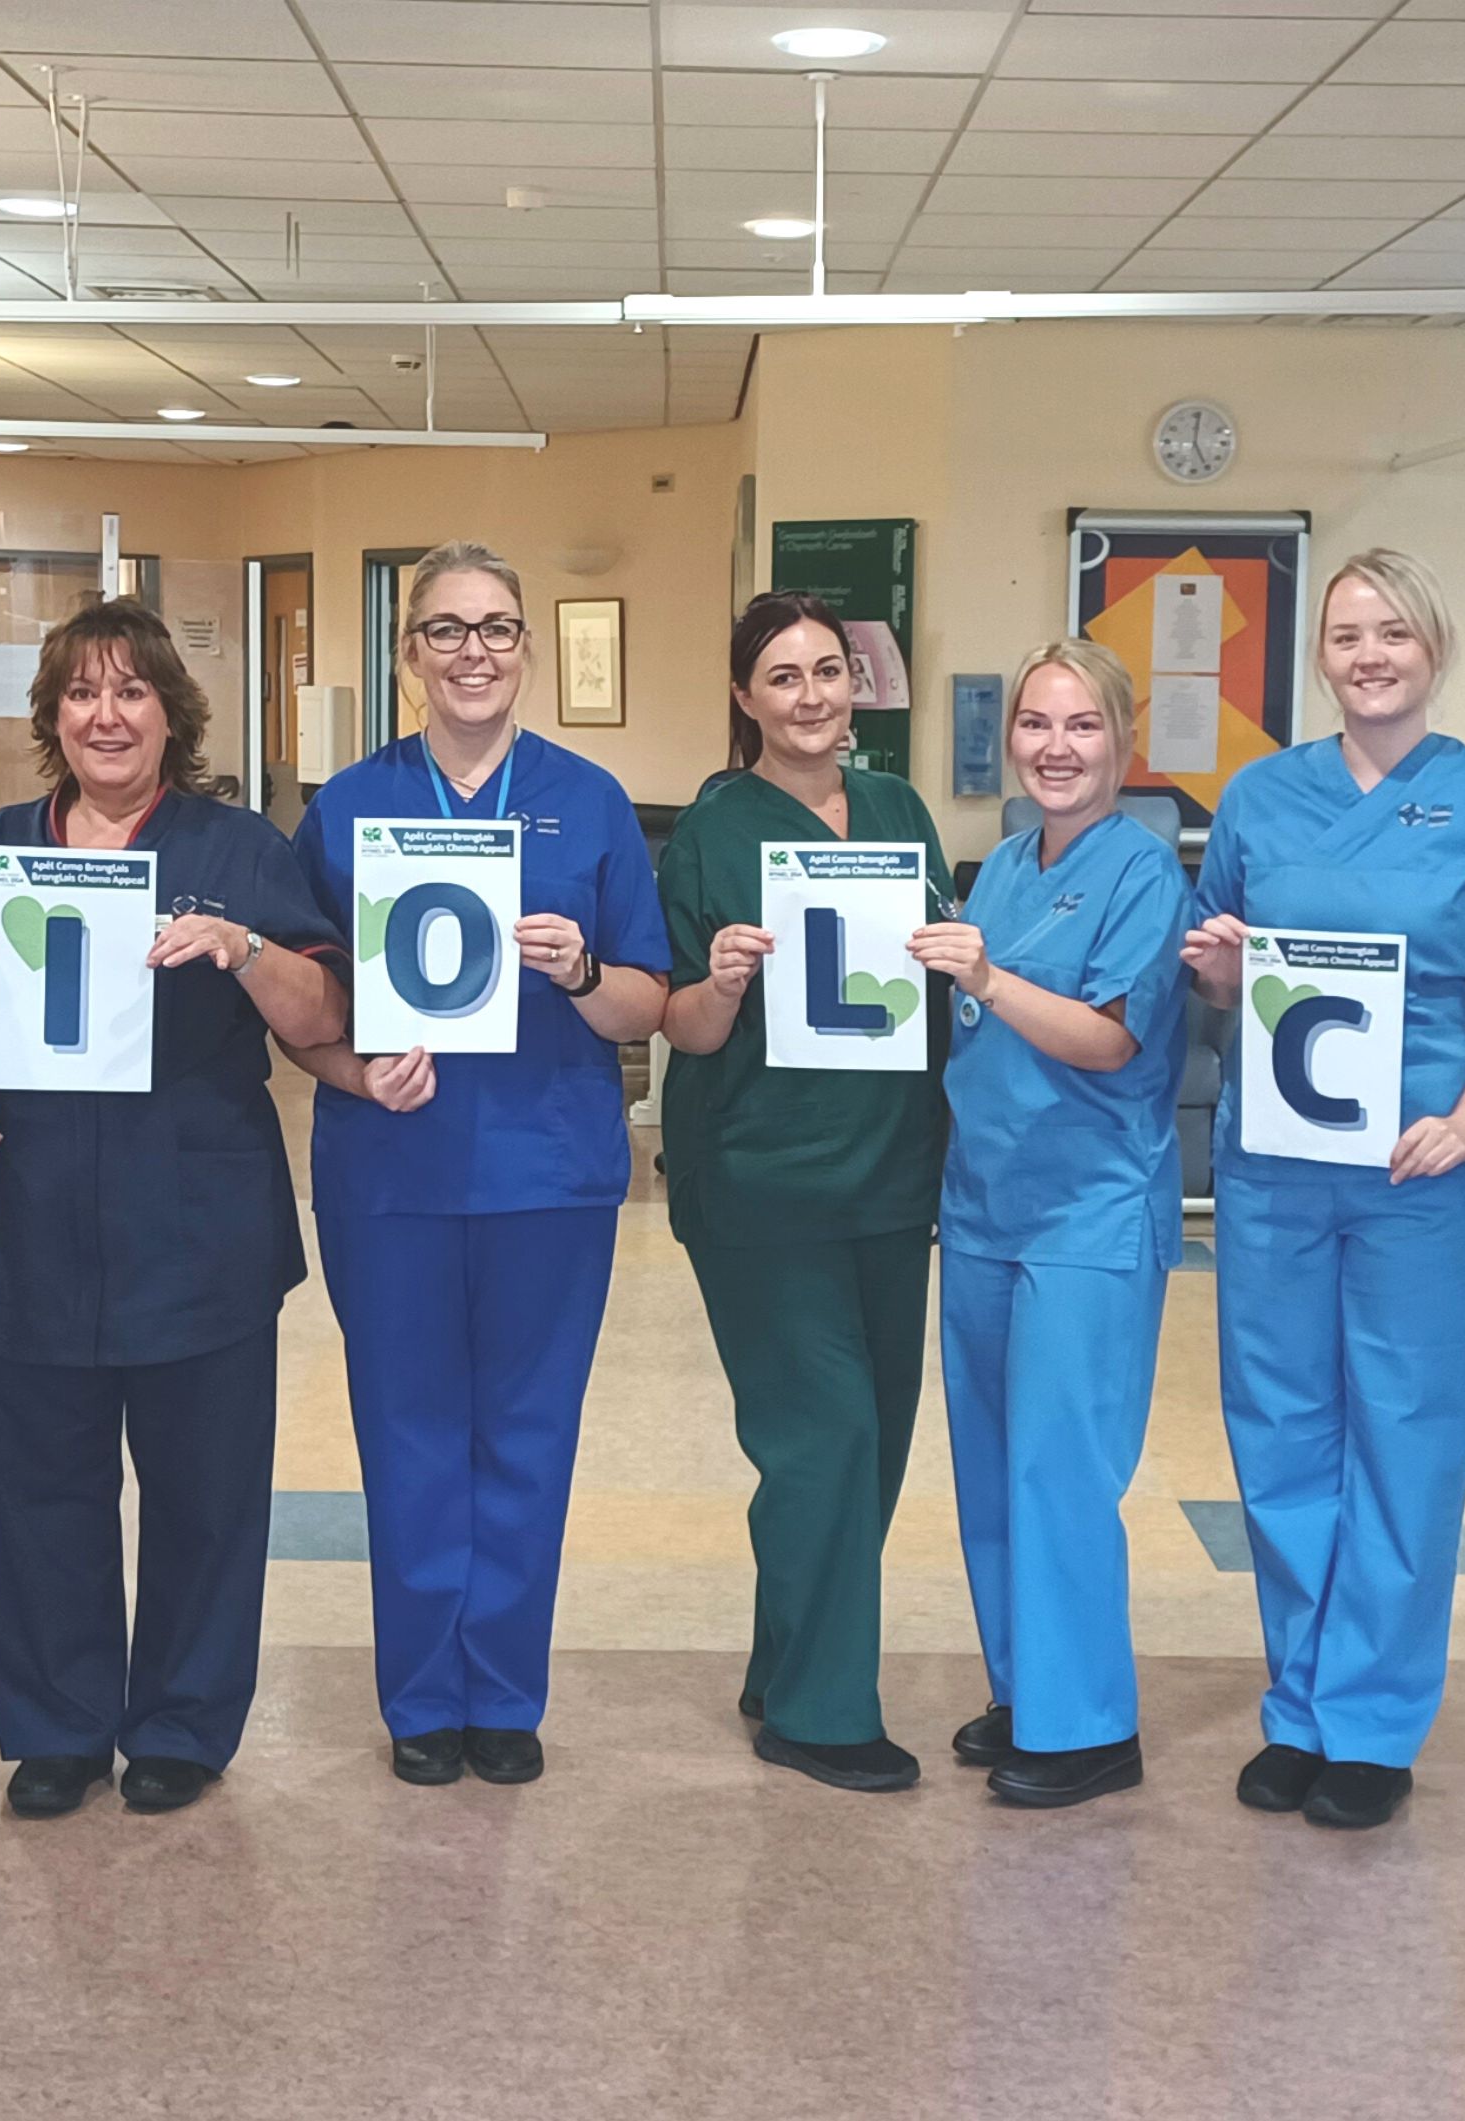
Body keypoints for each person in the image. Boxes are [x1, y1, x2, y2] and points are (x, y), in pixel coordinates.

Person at [0, 602, 346, 1818]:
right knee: (40, 1487)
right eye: (83, 694)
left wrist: (242, 945)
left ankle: (182, 1723)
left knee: (206, 1495)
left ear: (172, 713)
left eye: (133, 693)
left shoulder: (238, 847)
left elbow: (320, 1016)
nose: (108, 716)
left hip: (197, 1223)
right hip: (35, 1210)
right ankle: (55, 1726)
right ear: (52, 717)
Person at [1180, 549, 1465, 1831]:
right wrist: (1221, 967)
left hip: (1424, 1170)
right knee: (1281, 1433)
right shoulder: (1259, 797)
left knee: (1405, 1438)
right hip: (1280, 1166)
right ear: (1321, 658)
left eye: (1393, 632)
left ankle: (1375, 1721)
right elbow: (1220, 977)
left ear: (1432, 649)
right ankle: (1297, 1704)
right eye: (1346, 636)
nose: (1369, 654)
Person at [285, 541, 671, 1787]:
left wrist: (579, 972)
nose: (473, 652)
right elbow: (304, 1002)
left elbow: (646, 1003)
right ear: (409, 656)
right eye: (445, 631)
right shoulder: (345, 807)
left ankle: (501, 1692)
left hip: (548, 1173)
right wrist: (352, 1065)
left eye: (498, 629)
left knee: (526, 1435)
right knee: (405, 1438)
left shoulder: (590, 802)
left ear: (527, 650)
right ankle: (419, 1700)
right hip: (391, 1170)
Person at [659, 589, 951, 1793]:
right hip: (761, 1183)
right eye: (782, 677)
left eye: (828, 671)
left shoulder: (897, 808)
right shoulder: (712, 834)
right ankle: (821, 1715)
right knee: (820, 1438)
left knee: (873, 1443)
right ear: (745, 699)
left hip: (891, 1173)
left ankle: (786, 1657)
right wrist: (723, 981)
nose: (812, 696)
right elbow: (675, 1020)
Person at [914, 641, 1188, 1810]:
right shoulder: (1005, 863)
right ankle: (1027, 1687)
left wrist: (981, 977)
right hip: (982, 1204)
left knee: (1058, 1467)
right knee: (987, 1466)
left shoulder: (1144, 871)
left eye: (1083, 726)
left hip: (1088, 1210)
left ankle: (1089, 1727)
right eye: (1035, 724)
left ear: (1122, 744)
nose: (1056, 747)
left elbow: (1110, 1039)